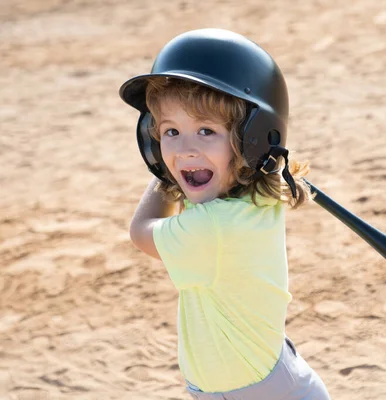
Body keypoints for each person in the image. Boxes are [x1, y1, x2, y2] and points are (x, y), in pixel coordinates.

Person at [119, 28, 331, 400]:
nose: (185, 149)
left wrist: (162, 174)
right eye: (169, 132)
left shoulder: (211, 227)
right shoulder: (257, 199)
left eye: (205, 130)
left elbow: (141, 232)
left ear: (252, 138)